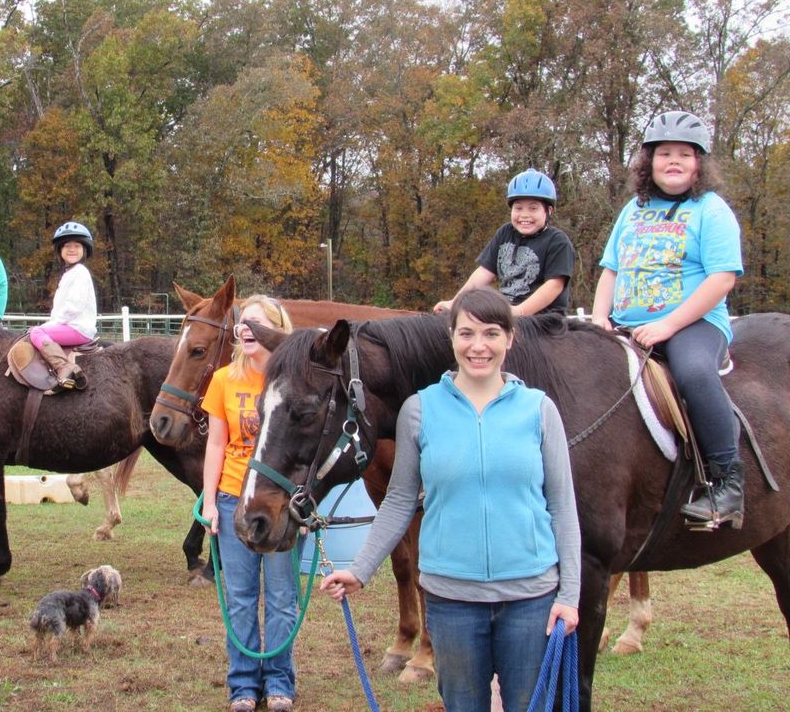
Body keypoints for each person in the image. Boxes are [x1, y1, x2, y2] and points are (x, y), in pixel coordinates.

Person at [321, 288, 580, 712]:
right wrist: (361, 569)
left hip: (530, 599)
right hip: (452, 601)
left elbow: (563, 507)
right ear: (451, 338)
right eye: (467, 333)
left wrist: (569, 595)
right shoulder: (419, 411)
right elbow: (400, 500)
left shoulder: (539, 410)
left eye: (492, 334)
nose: (479, 346)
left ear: (510, 339)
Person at [591, 110, 745, 527]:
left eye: (684, 154)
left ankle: (726, 483)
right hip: (625, 324)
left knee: (694, 374)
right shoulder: (634, 210)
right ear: (648, 163)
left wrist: (670, 325)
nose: (673, 161)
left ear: (699, 164)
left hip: (694, 325)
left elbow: (722, 279)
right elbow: (611, 270)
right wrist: (600, 318)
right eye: (663, 154)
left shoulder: (710, 210)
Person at [200, 295, 298, 712]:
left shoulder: (294, 380)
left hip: (279, 506)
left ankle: (278, 681)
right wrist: (208, 503)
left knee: (281, 597)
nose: (246, 329)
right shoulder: (223, 379)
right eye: (243, 322)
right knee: (240, 596)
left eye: (257, 323)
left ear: (277, 329)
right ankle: (242, 684)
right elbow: (216, 443)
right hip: (231, 500)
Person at [434, 169, 575, 316]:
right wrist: (455, 303)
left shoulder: (558, 242)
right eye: (518, 208)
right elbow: (485, 272)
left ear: (549, 211)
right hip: (506, 315)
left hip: (543, 320)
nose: (524, 215)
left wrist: (519, 311)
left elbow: (554, 285)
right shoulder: (506, 232)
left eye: (533, 208)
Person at [28, 221, 97, 390]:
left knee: (36, 332)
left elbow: (73, 307)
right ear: (60, 250)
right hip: (71, 326)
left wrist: (49, 325)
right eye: (67, 246)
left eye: (76, 246)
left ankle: (63, 367)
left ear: (85, 249)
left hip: (77, 328)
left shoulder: (80, 272)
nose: (72, 249)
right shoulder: (69, 274)